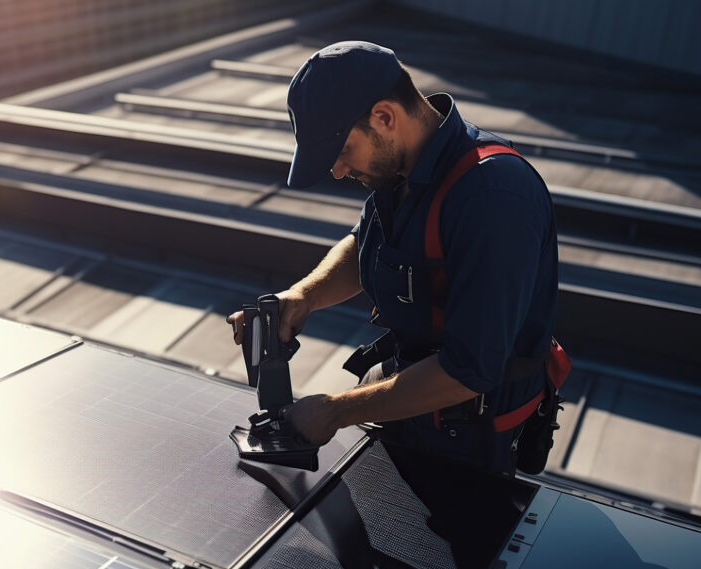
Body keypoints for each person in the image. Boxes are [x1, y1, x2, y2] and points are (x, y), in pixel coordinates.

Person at [227, 41, 560, 474]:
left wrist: (334, 412)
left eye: (342, 151)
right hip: (409, 409)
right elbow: (367, 243)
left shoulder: (493, 198)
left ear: (384, 117)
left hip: (468, 443)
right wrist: (304, 296)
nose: (339, 172)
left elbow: (467, 371)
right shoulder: (402, 166)